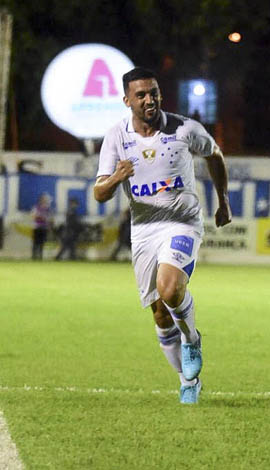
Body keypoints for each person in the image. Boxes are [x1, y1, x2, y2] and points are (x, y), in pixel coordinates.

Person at [93, 67, 231, 404]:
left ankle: (191, 339)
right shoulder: (116, 136)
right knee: (158, 312)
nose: (149, 99)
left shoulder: (184, 129)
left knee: (170, 288)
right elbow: (99, 192)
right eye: (140, 95)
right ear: (127, 100)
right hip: (143, 230)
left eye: (153, 92)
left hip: (182, 222)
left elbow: (215, 154)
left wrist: (223, 200)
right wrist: (116, 178)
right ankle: (188, 382)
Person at [32, 193, 53, 260]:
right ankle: (34, 256)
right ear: (40, 200)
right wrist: (41, 217)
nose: (44, 200)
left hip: (44, 227)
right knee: (36, 242)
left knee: (42, 242)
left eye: (45, 199)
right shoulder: (36, 207)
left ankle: (40, 256)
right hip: (37, 227)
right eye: (43, 199)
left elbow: (49, 218)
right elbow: (33, 216)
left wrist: (48, 222)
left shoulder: (48, 209)